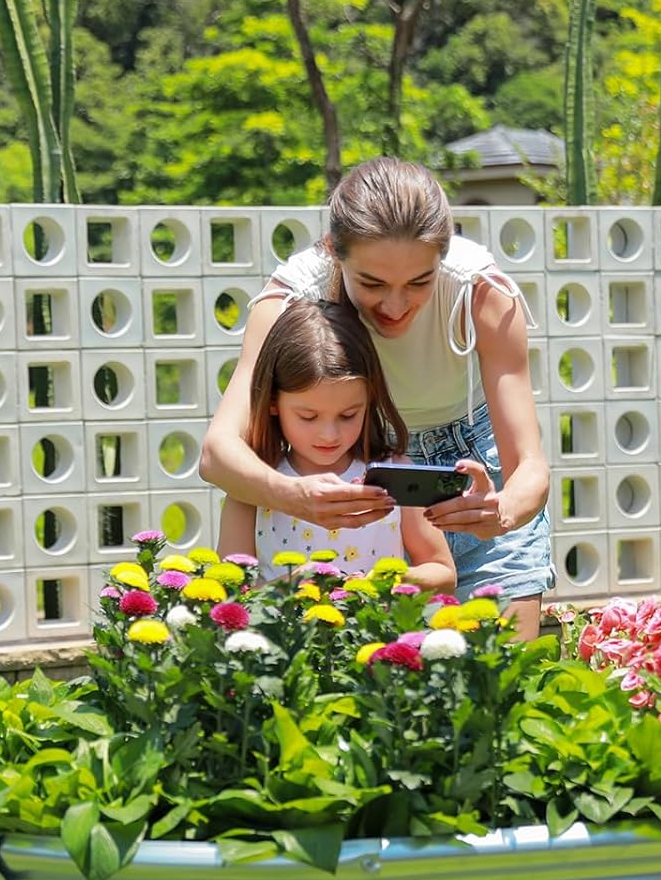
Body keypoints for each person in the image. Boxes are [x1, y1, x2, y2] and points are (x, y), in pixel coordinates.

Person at [200, 157, 552, 639]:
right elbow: (217, 453)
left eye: (419, 283)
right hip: (357, 471)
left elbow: (529, 464)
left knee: (508, 672)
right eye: (371, 283)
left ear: (442, 258)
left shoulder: (481, 291)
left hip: (472, 472)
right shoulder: (292, 296)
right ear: (333, 252)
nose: (394, 305)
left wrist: (504, 510)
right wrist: (294, 495)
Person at [219, 297, 456, 593]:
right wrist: (294, 586)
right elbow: (229, 596)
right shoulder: (250, 486)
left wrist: (381, 583)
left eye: (348, 415)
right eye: (308, 416)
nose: (329, 435)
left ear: (370, 400)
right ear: (273, 403)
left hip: (378, 637)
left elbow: (443, 573)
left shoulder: (395, 474)